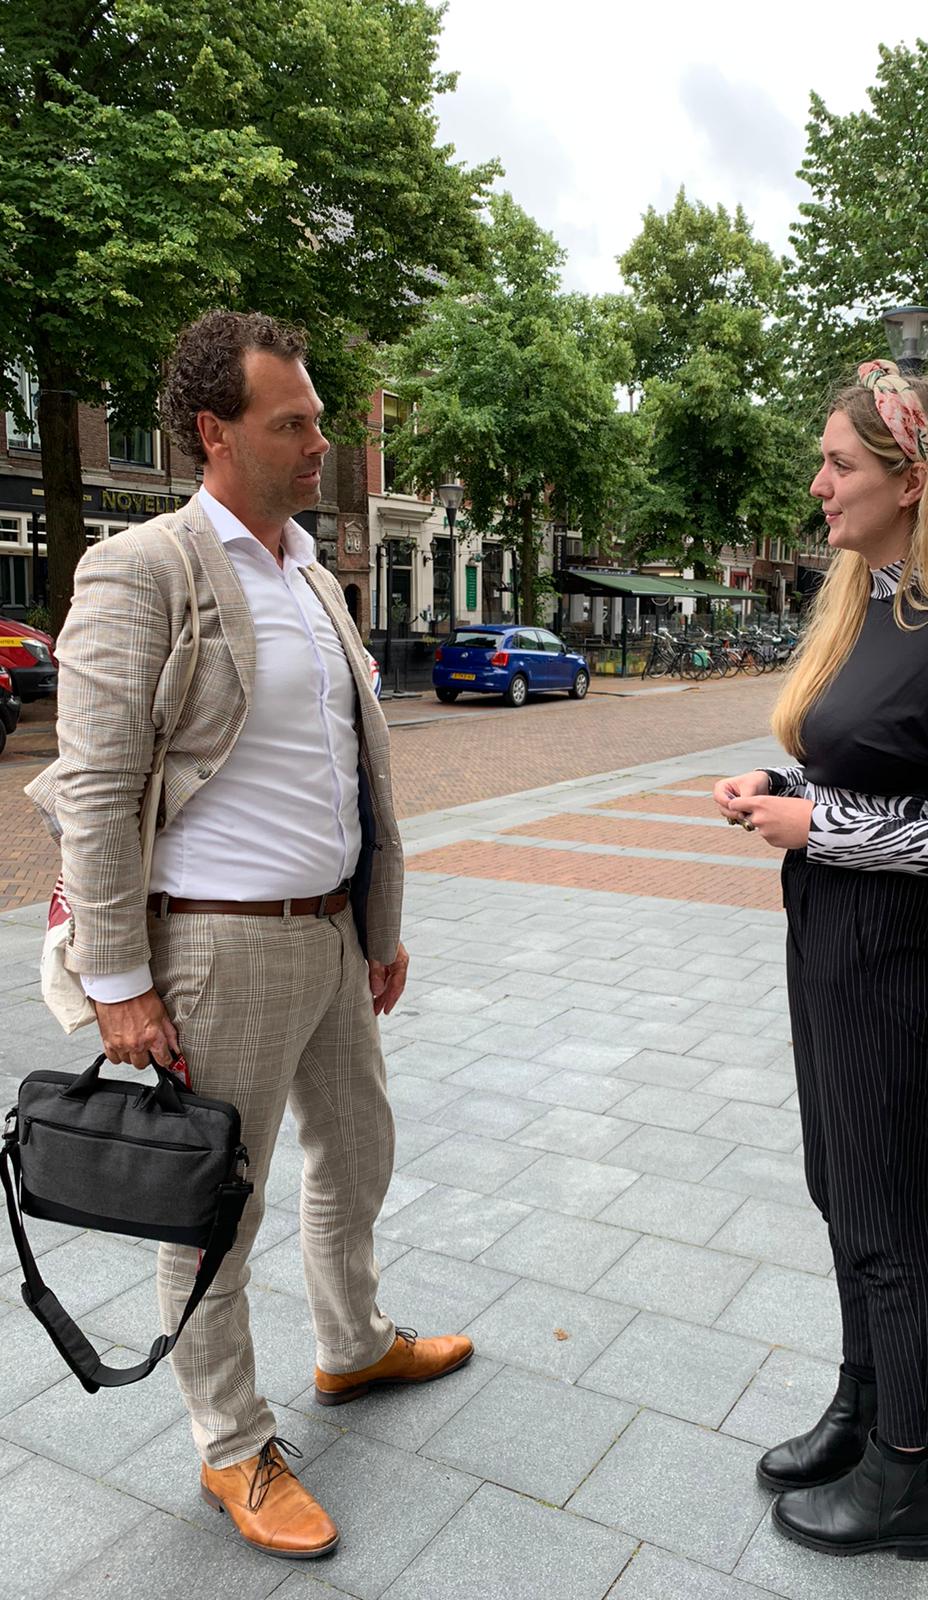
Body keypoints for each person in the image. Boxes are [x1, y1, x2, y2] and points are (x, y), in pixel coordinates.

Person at [26, 310, 473, 1561]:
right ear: (215, 432)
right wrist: (119, 981)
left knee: (359, 1151)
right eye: (294, 423)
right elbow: (97, 787)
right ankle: (232, 1441)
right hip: (216, 948)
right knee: (216, 1202)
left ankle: (353, 1344)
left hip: (330, 934)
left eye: (320, 419)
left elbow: (350, 769)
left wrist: (375, 922)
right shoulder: (144, 568)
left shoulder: (314, 577)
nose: (322, 442)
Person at [714, 359, 928, 1562]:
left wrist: (822, 826)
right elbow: (865, 766)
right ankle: (861, 1409)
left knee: (887, 1213)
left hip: (896, 958)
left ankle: (904, 1478)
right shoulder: (865, 607)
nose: (819, 484)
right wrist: (781, 784)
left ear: (912, 480)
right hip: (826, 937)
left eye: (841, 464)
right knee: (838, 1186)